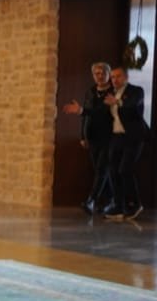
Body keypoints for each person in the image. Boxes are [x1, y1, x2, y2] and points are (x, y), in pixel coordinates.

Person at [60, 61, 114, 214]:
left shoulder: (113, 93)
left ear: (108, 75)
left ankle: (91, 200)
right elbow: (85, 117)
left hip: (109, 136)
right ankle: (111, 200)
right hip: (93, 136)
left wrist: (82, 110)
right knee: (100, 170)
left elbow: (101, 112)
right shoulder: (90, 92)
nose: (100, 76)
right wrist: (83, 135)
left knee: (102, 169)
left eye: (103, 73)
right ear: (93, 76)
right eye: (97, 73)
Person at [101, 63, 149, 221]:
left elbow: (131, 105)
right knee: (113, 170)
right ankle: (118, 205)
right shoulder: (110, 93)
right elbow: (100, 112)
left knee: (124, 170)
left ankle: (134, 204)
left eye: (118, 76)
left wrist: (117, 102)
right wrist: (82, 111)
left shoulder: (136, 91)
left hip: (133, 137)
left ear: (126, 77)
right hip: (116, 137)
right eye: (113, 77)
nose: (115, 80)